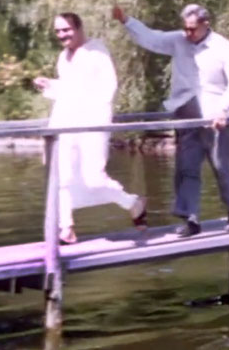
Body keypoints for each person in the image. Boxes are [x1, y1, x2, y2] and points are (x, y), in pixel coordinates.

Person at [112, 3, 229, 237]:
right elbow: (151, 38)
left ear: (206, 24)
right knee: (186, 168)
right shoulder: (179, 40)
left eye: (193, 29)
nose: (188, 33)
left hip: (216, 113)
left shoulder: (222, 46)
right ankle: (190, 218)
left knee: (222, 166)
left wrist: (225, 109)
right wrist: (126, 20)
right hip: (186, 111)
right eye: (185, 28)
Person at [33, 13, 146, 245]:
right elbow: (69, 89)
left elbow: (107, 88)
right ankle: (67, 227)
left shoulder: (97, 52)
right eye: (58, 31)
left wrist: (95, 120)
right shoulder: (63, 57)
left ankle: (133, 203)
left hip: (92, 123)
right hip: (65, 123)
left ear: (79, 27)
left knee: (95, 179)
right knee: (61, 175)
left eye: (66, 29)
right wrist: (50, 85)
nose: (62, 35)